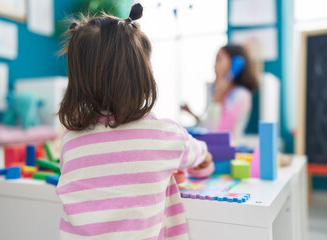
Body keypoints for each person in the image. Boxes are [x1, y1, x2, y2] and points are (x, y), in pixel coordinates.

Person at [56, 4, 213, 240]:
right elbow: (198, 154)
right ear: (140, 77)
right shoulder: (164, 134)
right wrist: (206, 156)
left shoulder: (70, 139)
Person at [181, 44, 258, 141]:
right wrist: (192, 114)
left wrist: (218, 100)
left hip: (227, 151)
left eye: (219, 59)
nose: (214, 65)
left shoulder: (241, 95)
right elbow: (208, 127)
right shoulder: (218, 92)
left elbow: (219, 134)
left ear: (234, 64)